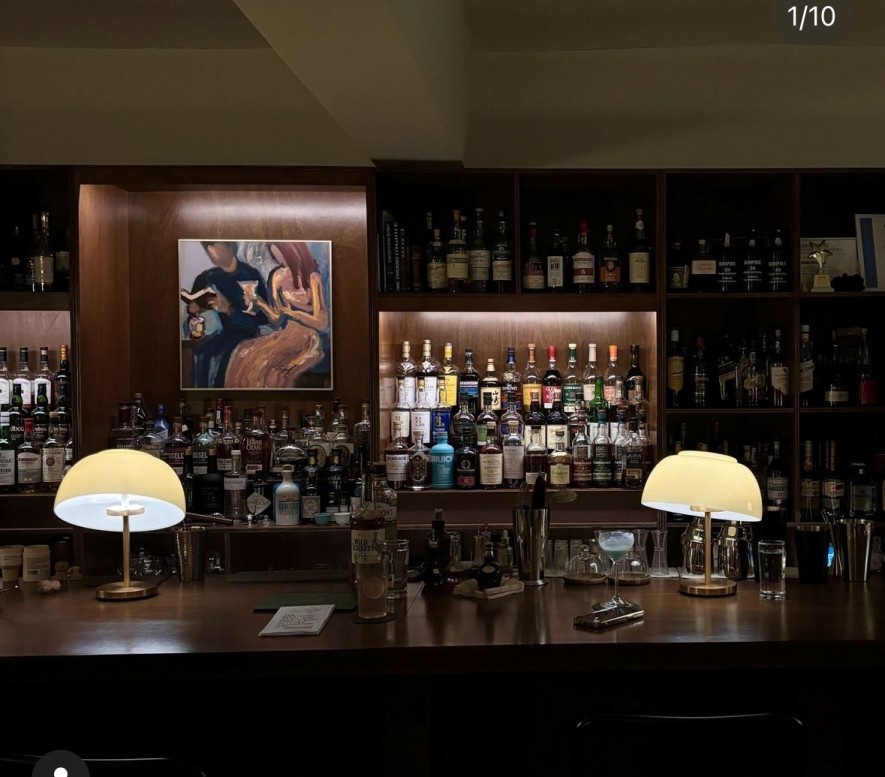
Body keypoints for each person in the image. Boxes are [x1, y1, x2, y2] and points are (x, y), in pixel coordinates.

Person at [225, 241, 330, 389]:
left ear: (293, 251)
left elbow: (322, 322)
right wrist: (259, 302)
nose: (280, 261)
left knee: (270, 368)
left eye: (282, 255)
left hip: (307, 336)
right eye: (275, 256)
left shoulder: (312, 278)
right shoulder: (277, 276)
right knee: (243, 352)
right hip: (285, 333)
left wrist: (292, 313)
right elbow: (277, 318)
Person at [186, 241, 268, 388]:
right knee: (201, 354)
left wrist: (229, 309)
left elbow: (263, 318)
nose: (211, 253)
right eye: (207, 249)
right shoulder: (208, 277)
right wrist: (195, 308)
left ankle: (222, 398)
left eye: (215, 247)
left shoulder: (250, 275)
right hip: (225, 332)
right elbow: (193, 306)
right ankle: (202, 397)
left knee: (222, 361)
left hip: (249, 333)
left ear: (230, 247)